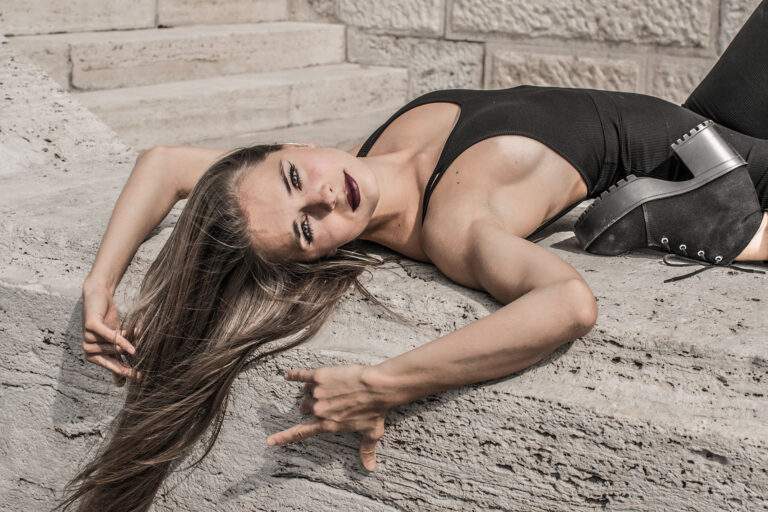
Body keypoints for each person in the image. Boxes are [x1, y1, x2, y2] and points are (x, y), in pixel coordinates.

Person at [60, 2, 768, 510]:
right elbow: (567, 304)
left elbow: (166, 163)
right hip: (730, 177)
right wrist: (387, 384)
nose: (324, 199)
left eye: (294, 178)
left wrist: (101, 284)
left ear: (282, 146)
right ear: (317, 256)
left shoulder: (365, 159)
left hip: (708, 123)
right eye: (308, 230)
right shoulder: (456, 225)